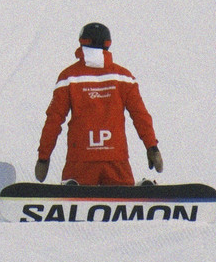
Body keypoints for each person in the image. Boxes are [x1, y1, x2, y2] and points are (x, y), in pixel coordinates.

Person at [35, 22, 163, 185]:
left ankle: (71, 195)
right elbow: (140, 116)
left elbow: (54, 120)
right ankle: (137, 198)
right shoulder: (123, 77)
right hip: (116, 158)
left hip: (80, 159)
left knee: (74, 194)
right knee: (123, 197)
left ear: (82, 42)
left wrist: (43, 157)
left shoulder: (69, 77)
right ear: (108, 44)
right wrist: (152, 146)